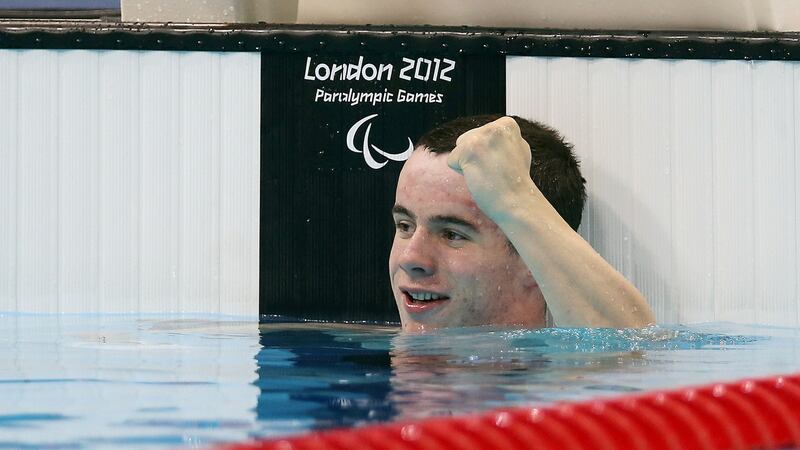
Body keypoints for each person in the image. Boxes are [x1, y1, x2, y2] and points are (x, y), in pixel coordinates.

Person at [388, 115, 655, 332]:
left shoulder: (551, 387)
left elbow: (631, 354)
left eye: (452, 234)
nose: (411, 258)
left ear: (534, 257)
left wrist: (514, 198)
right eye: (405, 226)